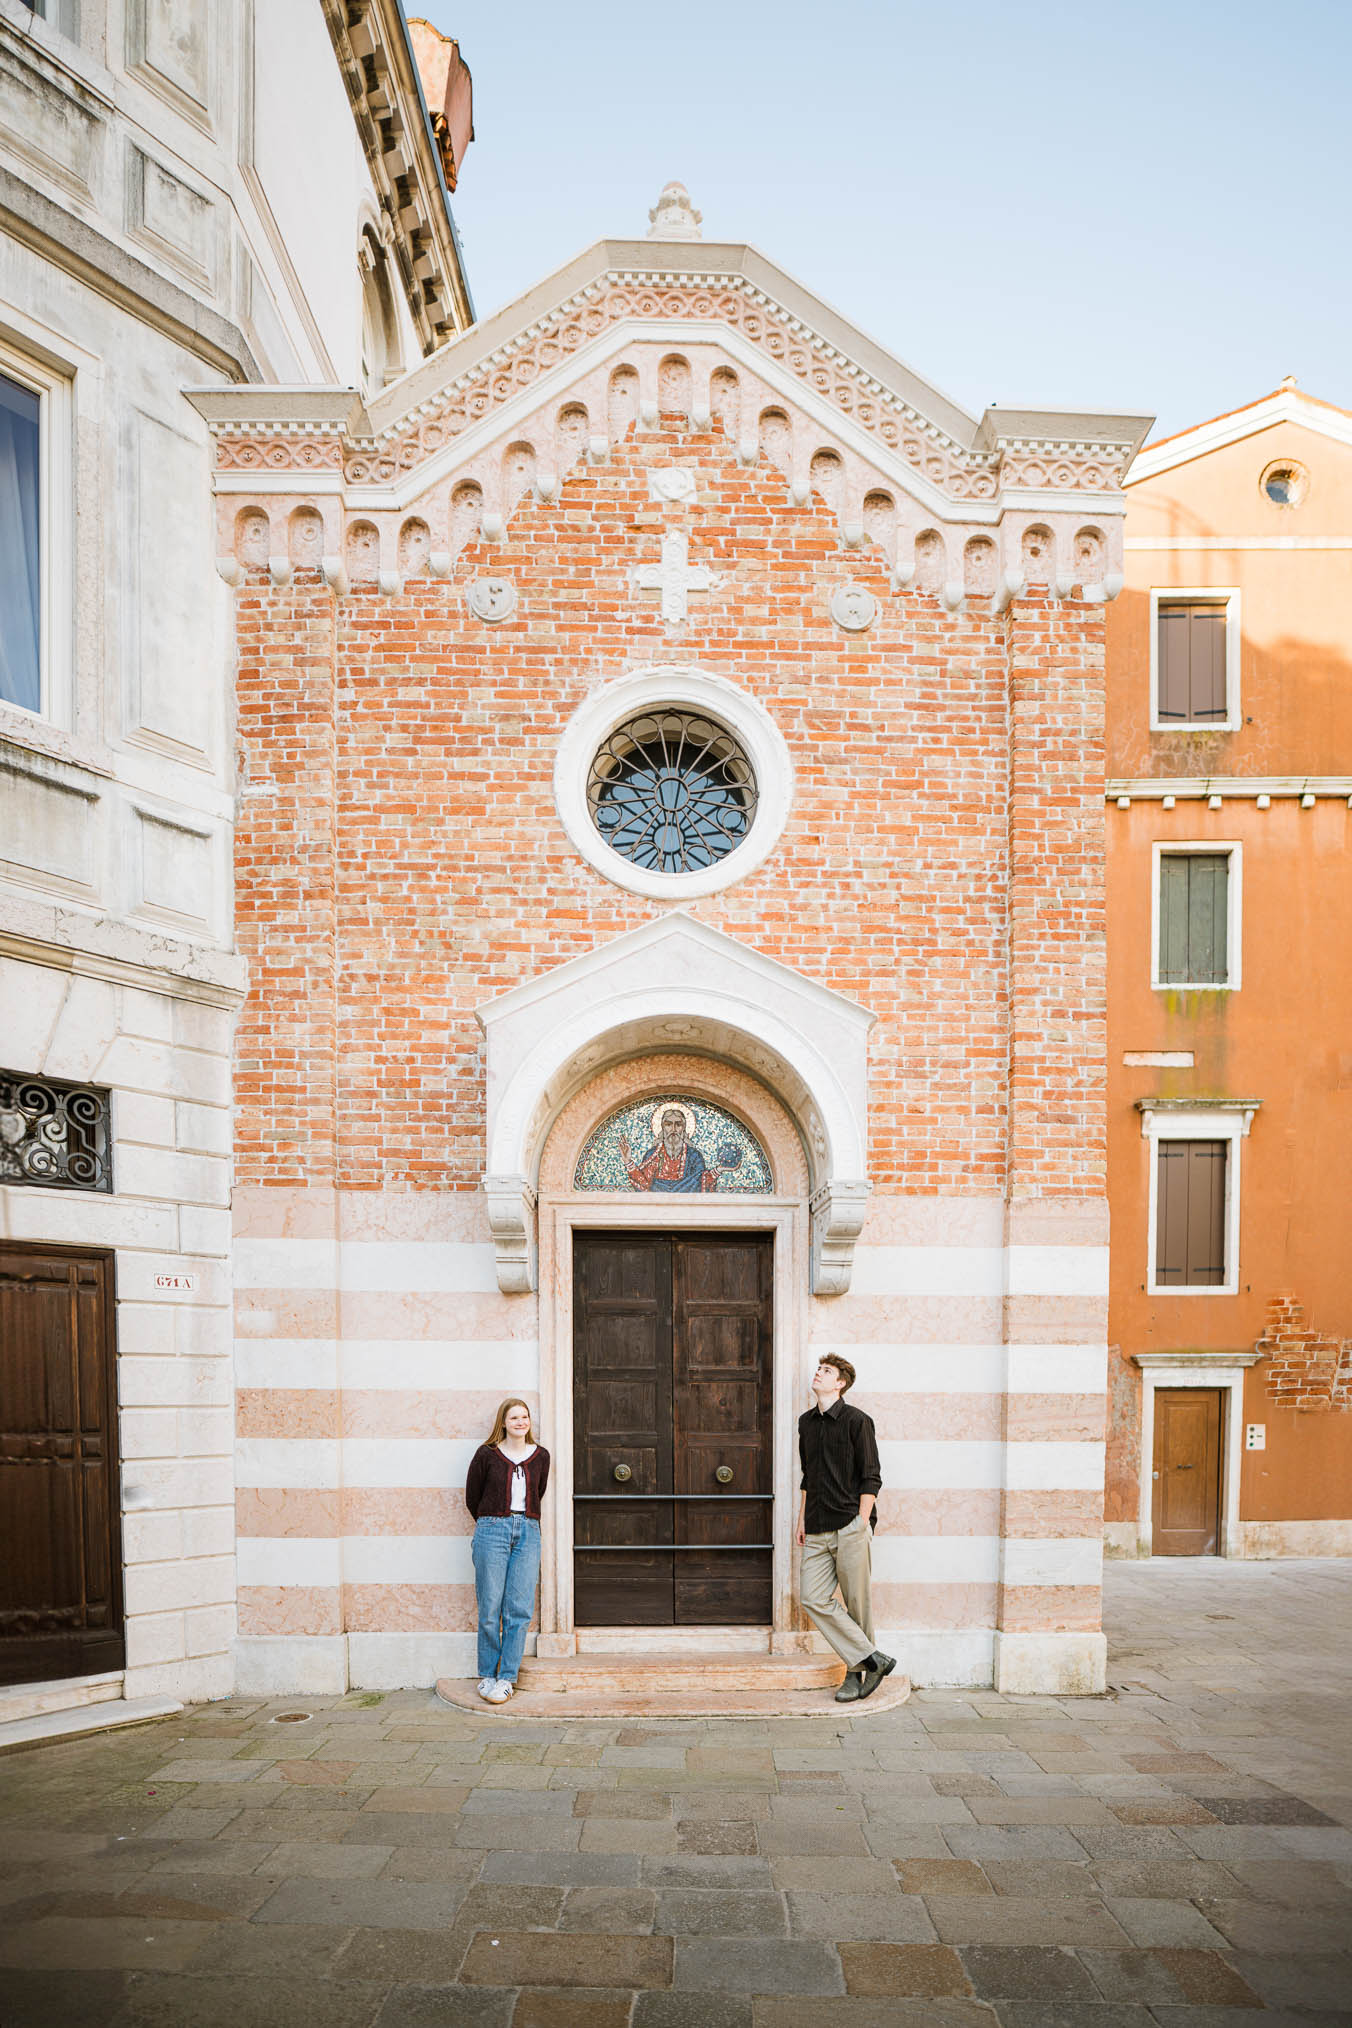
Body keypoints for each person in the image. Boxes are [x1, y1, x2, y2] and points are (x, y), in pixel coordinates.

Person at [796, 1354, 896, 1702]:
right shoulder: (805, 1423)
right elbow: (808, 1475)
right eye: (819, 1369)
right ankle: (874, 1659)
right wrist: (801, 1520)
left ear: (840, 1383)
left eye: (826, 1371)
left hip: (851, 1523)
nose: (818, 1373)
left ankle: (855, 1676)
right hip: (817, 1525)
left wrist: (862, 1523)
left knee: (857, 1603)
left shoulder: (858, 1421)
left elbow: (871, 1476)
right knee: (812, 1596)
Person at [464, 1397, 550, 1704]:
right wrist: (491, 1523)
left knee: (519, 1609)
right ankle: (487, 1674)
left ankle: (506, 1678)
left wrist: (518, 1521)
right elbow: (472, 1496)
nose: (520, 1422)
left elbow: (538, 1492)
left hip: (528, 1531)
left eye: (524, 1417)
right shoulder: (486, 1455)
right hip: (491, 1529)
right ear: (503, 1422)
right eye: (514, 1417)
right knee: (489, 1606)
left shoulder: (541, 1456)